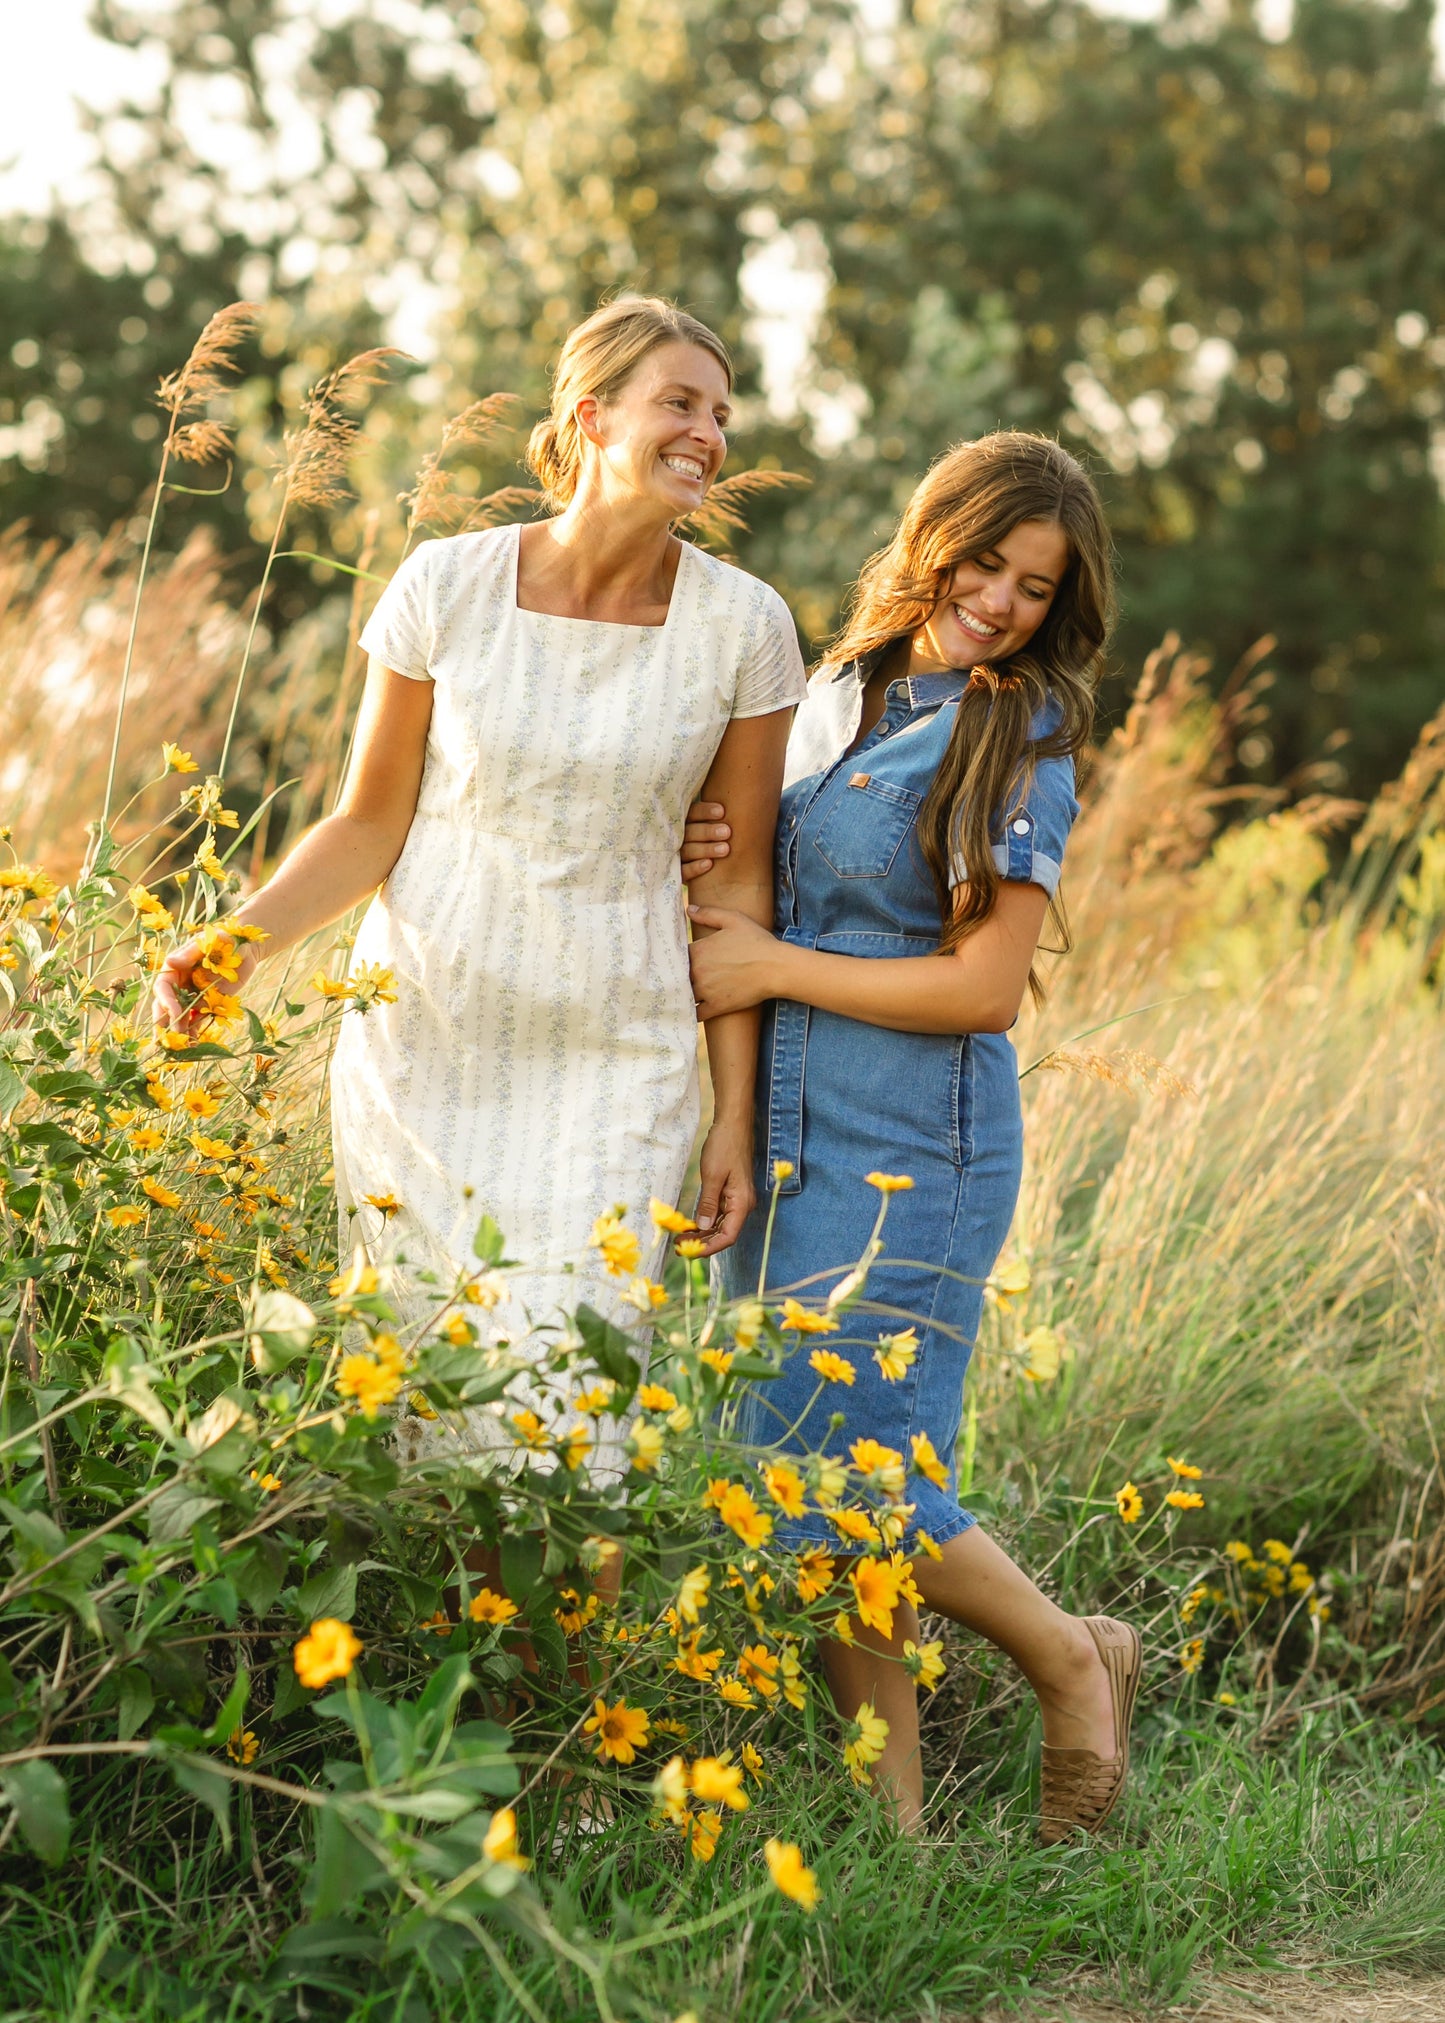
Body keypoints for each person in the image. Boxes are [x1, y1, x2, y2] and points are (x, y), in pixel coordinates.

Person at [154, 294, 806, 1483]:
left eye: (720, 414)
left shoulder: (745, 627)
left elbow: (739, 882)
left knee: (573, 1428)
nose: (708, 435)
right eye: (678, 403)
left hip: (619, 1061)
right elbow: (368, 823)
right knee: (423, 1419)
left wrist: (734, 1111)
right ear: (589, 414)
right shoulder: (443, 586)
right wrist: (235, 944)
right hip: (426, 1051)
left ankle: (573, 1618)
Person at [681, 432, 1141, 1842]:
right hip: (787, 1127)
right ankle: (891, 1833)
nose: (998, 601)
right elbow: (756, 875)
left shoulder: (1019, 731)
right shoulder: (831, 690)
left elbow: (983, 987)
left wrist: (769, 963)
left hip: (915, 1142)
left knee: (849, 1469)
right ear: (930, 536)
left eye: (1032, 586)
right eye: (983, 563)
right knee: (807, 1481)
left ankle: (1070, 1658)